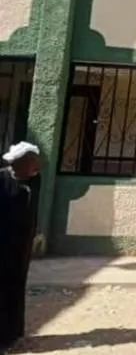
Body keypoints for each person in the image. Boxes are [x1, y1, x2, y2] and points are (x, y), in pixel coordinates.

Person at [0, 142, 41, 353]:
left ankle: (14, 334)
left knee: (15, 288)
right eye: (31, 162)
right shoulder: (2, 180)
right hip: (2, 244)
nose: (35, 167)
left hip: (21, 245)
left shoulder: (34, 181)